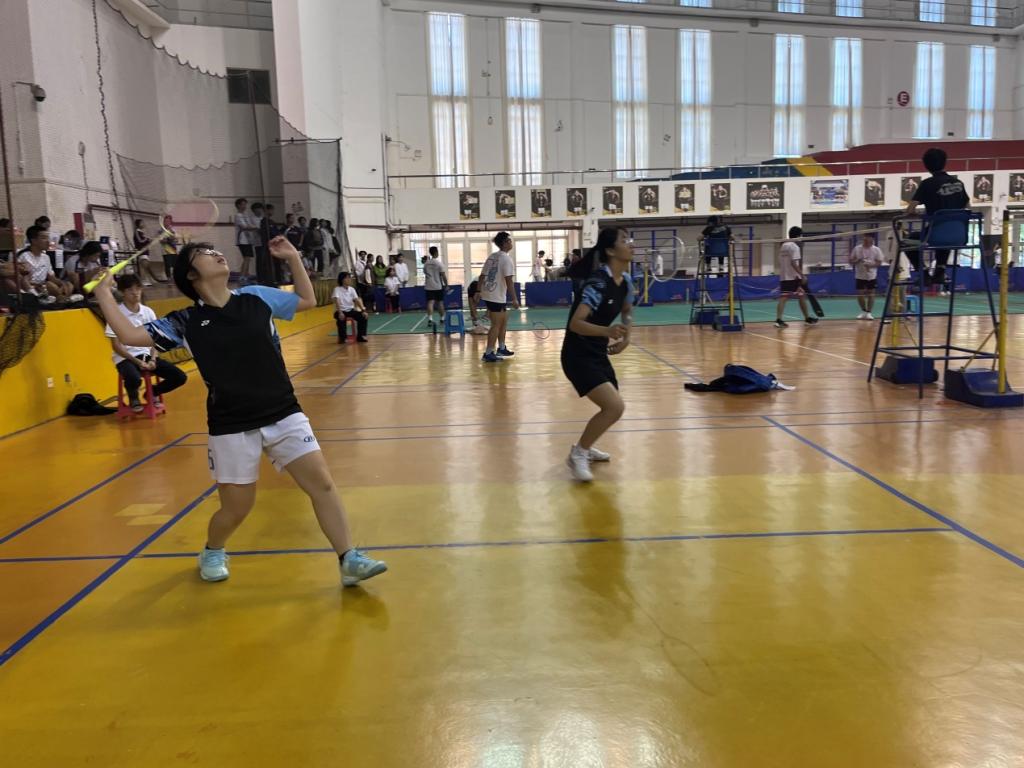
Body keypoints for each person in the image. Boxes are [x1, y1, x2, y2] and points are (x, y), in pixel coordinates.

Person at [95, 236, 387, 587]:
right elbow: (128, 334)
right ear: (191, 275)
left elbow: (307, 299)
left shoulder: (256, 297)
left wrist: (293, 257)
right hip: (231, 423)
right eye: (205, 253)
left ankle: (348, 558)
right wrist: (104, 294)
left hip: (283, 411)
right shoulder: (186, 321)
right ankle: (213, 550)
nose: (217, 254)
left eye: (215, 249)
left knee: (322, 484)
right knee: (237, 508)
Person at [561, 228, 634, 483]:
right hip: (577, 354)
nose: (631, 244)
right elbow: (576, 323)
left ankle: (586, 446)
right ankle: (578, 454)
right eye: (624, 240)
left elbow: (627, 310)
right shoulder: (598, 283)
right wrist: (607, 330)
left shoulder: (626, 281)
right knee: (615, 406)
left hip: (597, 352)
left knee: (611, 406)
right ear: (611, 250)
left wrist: (626, 338)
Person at [105, 274, 187, 412]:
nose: (135, 292)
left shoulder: (148, 312)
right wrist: (137, 362)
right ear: (122, 292)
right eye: (130, 289)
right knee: (133, 377)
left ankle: (152, 392)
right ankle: (133, 397)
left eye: (138, 288)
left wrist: (153, 359)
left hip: (147, 355)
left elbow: (156, 340)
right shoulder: (115, 314)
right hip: (126, 358)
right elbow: (116, 346)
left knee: (179, 377)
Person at [905, 147, 970, 296]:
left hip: (937, 234)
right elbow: (968, 207)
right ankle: (940, 270)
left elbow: (909, 209)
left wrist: (916, 214)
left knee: (908, 240)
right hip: (960, 235)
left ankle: (924, 273)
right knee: (945, 232)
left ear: (926, 165)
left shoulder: (927, 184)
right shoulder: (958, 183)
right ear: (945, 162)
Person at [479, 232, 519, 362]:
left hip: (491, 293)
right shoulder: (506, 259)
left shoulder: (492, 256)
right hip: (495, 296)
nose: (511, 242)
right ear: (505, 243)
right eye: (509, 240)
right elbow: (509, 281)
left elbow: (482, 276)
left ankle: (501, 348)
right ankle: (488, 353)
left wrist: (478, 291)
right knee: (496, 324)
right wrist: (514, 299)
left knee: (503, 321)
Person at [775, 226, 817, 328]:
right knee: (785, 297)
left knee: (799, 295)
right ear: (798, 236)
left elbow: (780, 261)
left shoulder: (783, 246)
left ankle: (807, 318)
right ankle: (779, 320)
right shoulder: (794, 247)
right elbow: (793, 263)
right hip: (793, 277)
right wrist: (802, 275)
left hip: (785, 276)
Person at [18, 225, 72, 302]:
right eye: (44, 238)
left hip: (44, 287)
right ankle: (62, 299)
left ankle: (61, 298)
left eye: (48, 238)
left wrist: (62, 283)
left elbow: (51, 277)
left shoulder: (46, 257)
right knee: (50, 285)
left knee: (69, 285)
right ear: (34, 240)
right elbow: (20, 279)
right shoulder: (23, 256)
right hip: (31, 288)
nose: (48, 241)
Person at [849, 233, 884, 320]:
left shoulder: (876, 250)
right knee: (860, 294)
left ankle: (869, 312)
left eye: (867, 239)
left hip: (871, 275)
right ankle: (863, 311)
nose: (865, 241)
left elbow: (879, 262)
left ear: (872, 240)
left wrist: (871, 265)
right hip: (860, 275)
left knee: (871, 294)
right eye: (864, 239)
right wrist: (857, 260)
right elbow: (851, 261)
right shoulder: (857, 249)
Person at [332, 272, 369, 343]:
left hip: (350, 310)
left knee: (363, 317)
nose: (349, 279)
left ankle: (361, 336)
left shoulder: (352, 289)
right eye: (347, 278)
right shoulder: (337, 289)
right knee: (341, 320)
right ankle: (343, 338)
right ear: (342, 279)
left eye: (350, 278)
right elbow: (337, 301)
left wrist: (363, 310)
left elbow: (357, 300)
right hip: (340, 311)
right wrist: (340, 313)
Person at [132, 218, 164, 286]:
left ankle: (148, 280)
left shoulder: (141, 233)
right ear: (138, 224)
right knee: (144, 266)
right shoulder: (137, 232)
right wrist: (147, 239)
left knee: (145, 266)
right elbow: (140, 241)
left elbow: (144, 241)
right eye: (142, 223)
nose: (143, 224)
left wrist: (150, 240)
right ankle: (144, 281)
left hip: (145, 252)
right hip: (141, 251)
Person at [231, 198, 257, 278]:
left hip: (248, 240)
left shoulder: (246, 215)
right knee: (246, 258)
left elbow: (250, 225)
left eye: (245, 204)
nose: (245, 206)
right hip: (242, 240)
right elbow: (244, 227)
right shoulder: (238, 216)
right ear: (238, 205)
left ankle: (246, 274)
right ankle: (242, 276)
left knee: (248, 258)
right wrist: (257, 227)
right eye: (243, 204)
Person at [423, 246, 447, 332]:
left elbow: (425, 273)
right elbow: (443, 275)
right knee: (440, 302)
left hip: (429, 286)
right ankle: (442, 319)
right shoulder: (439, 264)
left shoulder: (426, 264)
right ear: (436, 252)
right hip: (438, 286)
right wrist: (447, 285)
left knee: (430, 302)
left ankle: (430, 319)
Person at [159, 215, 178, 281]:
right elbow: (161, 240)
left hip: (173, 249)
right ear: (163, 222)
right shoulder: (161, 230)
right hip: (165, 250)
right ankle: (169, 278)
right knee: (168, 265)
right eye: (166, 221)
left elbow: (176, 240)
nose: (167, 222)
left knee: (175, 264)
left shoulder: (173, 230)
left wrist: (172, 237)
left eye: (169, 221)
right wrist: (168, 239)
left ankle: (175, 277)